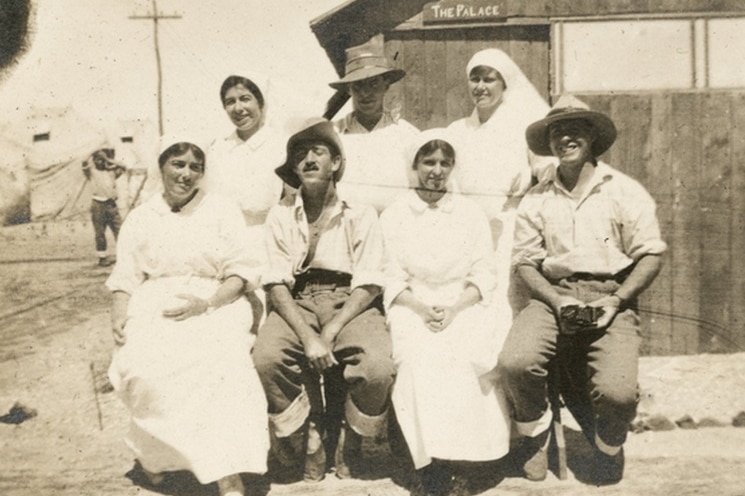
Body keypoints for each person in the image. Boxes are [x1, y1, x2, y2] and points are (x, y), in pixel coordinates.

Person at [498, 95, 667, 485]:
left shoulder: (623, 190)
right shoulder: (537, 196)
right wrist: (557, 300)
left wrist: (616, 300)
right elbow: (524, 262)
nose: (565, 138)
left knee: (618, 395)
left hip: (612, 296)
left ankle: (608, 445)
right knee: (516, 362)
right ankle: (535, 435)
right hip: (553, 294)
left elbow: (652, 255)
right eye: (557, 131)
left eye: (575, 129)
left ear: (591, 137)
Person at [106, 138, 270, 496]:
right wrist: (120, 314)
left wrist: (207, 303)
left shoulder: (221, 209)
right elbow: (125, 277)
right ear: (161, 166)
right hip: (155, 299)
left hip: (218, 300)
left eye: (195, 167)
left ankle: (226, 470)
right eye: (177, 164)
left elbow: (241, 271)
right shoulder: (142, 216)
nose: (186, 174)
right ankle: (158, 458)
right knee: (142, 362)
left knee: (219, 360)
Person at [251, 119, 395, 483]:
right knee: (267, 358)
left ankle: (351, 435)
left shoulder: (360, 214)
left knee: (377, 367)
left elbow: (371, 281)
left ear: (336, 163)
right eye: (300, 155)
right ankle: (309, 433)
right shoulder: (281, 216)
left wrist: (330, 330)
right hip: (296, 300)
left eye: (318, 151)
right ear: (294, 169)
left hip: (351, 301)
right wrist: (308, 336)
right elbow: (275, 283)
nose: (309, 159)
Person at [380, 130, 510, 496]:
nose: (436, 171)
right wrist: (420, 308)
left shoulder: (469, 212)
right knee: (418, 359)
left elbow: (484, 272)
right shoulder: (395, 213)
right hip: (412, 302)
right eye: (428, 162)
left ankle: (463, 466)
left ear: (453, 167)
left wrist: (455, 308)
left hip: (462, 301)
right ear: (415, 165)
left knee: (467, 354)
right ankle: (429, 465)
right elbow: (391, 273)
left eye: (444, 163)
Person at [447, 48, 553, 327]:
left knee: (502, 299)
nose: (480, 87)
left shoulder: (524, 127)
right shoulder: (456, 130)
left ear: (504, 84)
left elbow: (547, 170)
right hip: (464, 229)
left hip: (509, 229)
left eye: (489, 80)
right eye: (475, 79)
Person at [204, 73, 287, 331]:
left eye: (245, 99)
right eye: (230, 102)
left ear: (261, 104)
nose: (238, 108)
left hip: (269, 241)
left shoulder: (281, 144)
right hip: (223, 243)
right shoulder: (217, 149)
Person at [330, 35, 419, 213]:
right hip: (347, 226)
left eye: (373, 84)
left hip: (394, 226)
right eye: (358, 86)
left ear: (386, 86)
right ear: (349, 89)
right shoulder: (334, 134)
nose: (366, 94)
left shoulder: (406, 134)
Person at [82, 148, 126, 267]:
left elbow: (124, 167)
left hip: (111, 205)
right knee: (100, 233)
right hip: (98, 205)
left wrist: (108, 159)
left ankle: (124, 257)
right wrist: (94, 152)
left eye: (102, 160)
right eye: (98, 160)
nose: (100, 162)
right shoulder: (92, 172)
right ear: (94, 161)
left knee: (120, 231)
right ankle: (102, 258)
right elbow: (84, 162)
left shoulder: (111, 172)